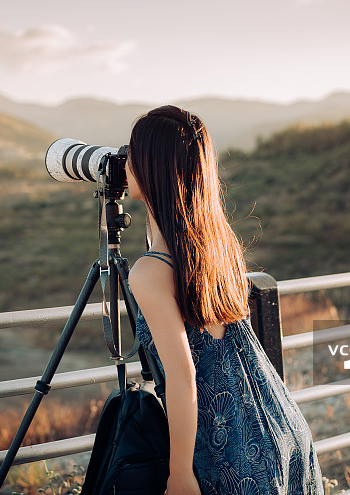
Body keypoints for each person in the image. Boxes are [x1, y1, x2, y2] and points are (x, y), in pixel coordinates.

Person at [125, 105, 323, 495]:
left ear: (151, 168)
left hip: (230, 457)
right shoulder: (217, 248)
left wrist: (179, 474)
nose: (125, 163)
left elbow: (183, 376)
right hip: (282, 430)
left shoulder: (150, 272)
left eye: (131, 153)